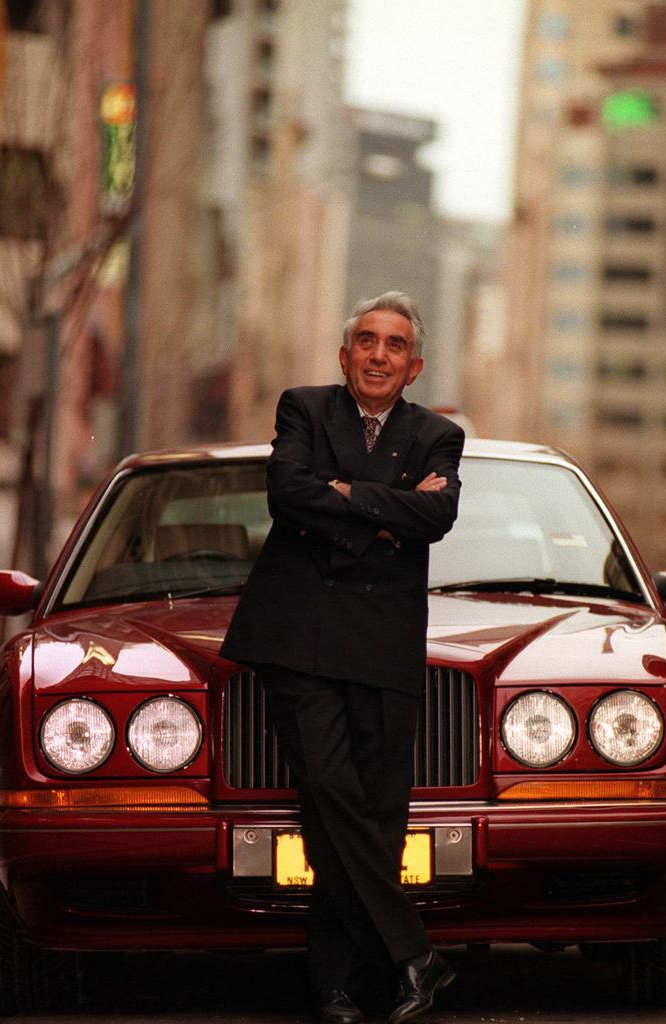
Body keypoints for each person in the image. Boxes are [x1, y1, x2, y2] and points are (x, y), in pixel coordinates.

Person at [221, 292, 465, 1024]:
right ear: (344, 355)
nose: (379, 354)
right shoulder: (304, 407)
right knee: (328, 795)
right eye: (366, 340)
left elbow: (438, 516)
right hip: (297, 636)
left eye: (394, 345)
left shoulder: (438, 436)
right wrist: (389, 509)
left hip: (386, 646)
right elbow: (286, 494)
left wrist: (343, 496)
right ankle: (416, 956)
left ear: (413, 365)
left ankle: (338, 989)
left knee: (372, 818)